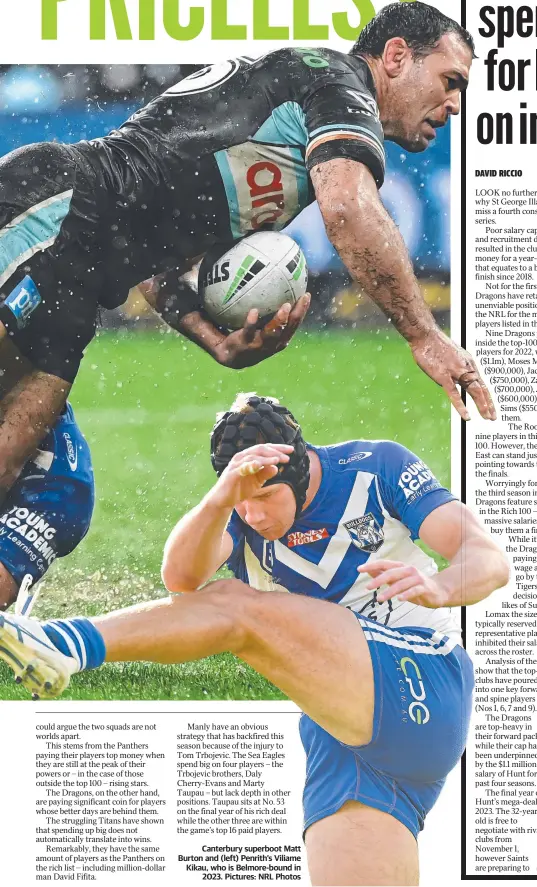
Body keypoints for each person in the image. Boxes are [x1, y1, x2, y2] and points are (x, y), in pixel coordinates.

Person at [0, 393, 508, 886]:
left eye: (265, 497)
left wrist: (442, 586)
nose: (256, 516)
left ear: (302, 470)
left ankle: (61, 644)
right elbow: (180, 578)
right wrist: (223, 497)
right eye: (245, 503)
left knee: (237, 607)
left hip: (421, 680)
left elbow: (487, 558)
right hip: (342, 737)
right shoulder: (240, 515)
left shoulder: (377, 466)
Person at [0, 3, 494, 503]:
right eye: (450, 80)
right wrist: (424, 336)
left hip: (82, 278)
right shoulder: (337, 85)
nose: (454, 103)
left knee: (8, 465)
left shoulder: (291, 117)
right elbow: (347, 210)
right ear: (395, 56)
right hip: (57, 207)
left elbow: (155, 267)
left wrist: (211, 339)